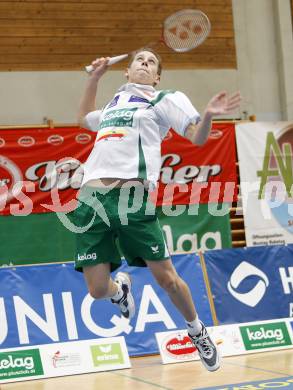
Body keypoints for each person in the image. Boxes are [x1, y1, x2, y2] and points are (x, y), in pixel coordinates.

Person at [75, 48, 241, 372]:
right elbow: (84, 118)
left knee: (167, 279)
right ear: (127, 70)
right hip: (92, 198)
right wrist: (94, 79)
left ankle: (197, 330)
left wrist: (207, 115)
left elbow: (196, 137)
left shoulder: (163, 99)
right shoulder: (113, 105)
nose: (145, 64)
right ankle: (119, 289)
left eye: (152, 62)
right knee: (97, 290)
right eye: (140, 59)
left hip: (133, 197)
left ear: (157, 76)